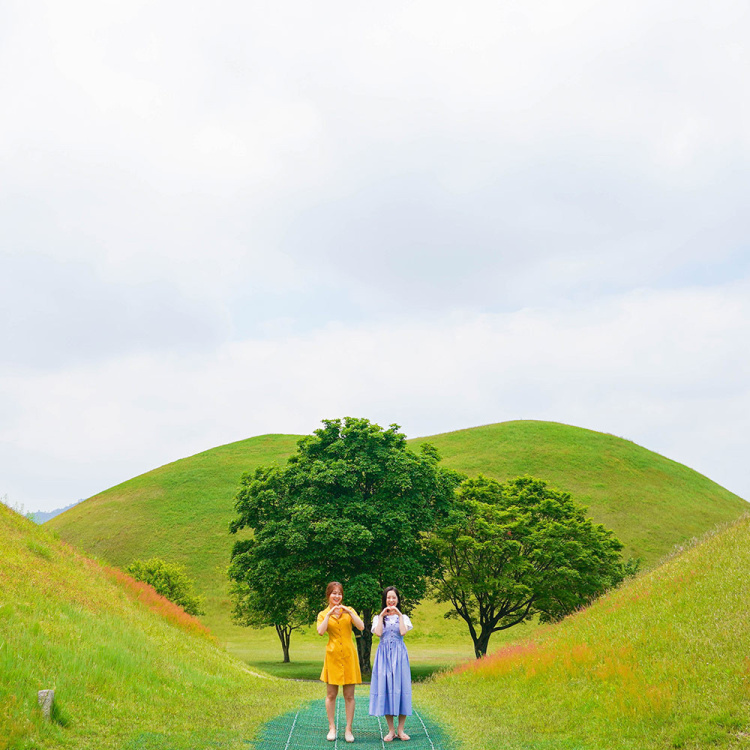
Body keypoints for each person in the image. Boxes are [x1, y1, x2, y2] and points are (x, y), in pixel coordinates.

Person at [317, 581, 365, 743]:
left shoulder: (349, 610)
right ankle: (332, 728)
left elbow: (361, 626)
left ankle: (348, 729)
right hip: (332, 656)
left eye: (339, 593)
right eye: (333, 593)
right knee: (331, 694)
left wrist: (350, 613)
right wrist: (330, 614)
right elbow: (321, 631)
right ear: (328, 595)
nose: (337, 596)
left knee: (349, 695)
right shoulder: (323, 614)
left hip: (349, 656)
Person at [369, 586, 413, 742]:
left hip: (399, 656)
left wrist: (399, 615)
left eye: (394, 597)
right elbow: (379, 633)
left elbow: (402, 632)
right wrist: (381, 616)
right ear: (384, 600)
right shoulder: (377, 618)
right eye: (388, 598)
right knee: (386, 688)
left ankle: (401, 730)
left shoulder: (404, 617)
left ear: (398, 599)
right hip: (384, 657)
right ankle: (391, 730)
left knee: (402, 689)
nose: (391, 600)